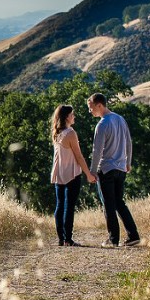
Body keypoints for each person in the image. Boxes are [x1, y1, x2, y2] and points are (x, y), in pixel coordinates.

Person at [87, 93, 141, 247]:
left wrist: (92, 171)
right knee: (119, 203)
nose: (90, 111)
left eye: (90, 108)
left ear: (99, 105)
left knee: (109, 205)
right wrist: (128, 162)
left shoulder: (102, 124)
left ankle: (113, 239)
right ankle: (133, 236)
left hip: (106, 169)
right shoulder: (120, 119)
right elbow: (129, 142)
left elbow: (97, 151)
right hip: (121, 168)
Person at [51, 105, 96, 246]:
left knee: (59, 205)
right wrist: (89, 174)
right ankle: (68, 239)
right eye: (72, 114)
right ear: (67, 117)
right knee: (68, 207)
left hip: (58, 173)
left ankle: (61, 238)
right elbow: (79, 156)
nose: (74, 116)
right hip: (71, 173)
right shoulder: (70, 133)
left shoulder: (57, 132)